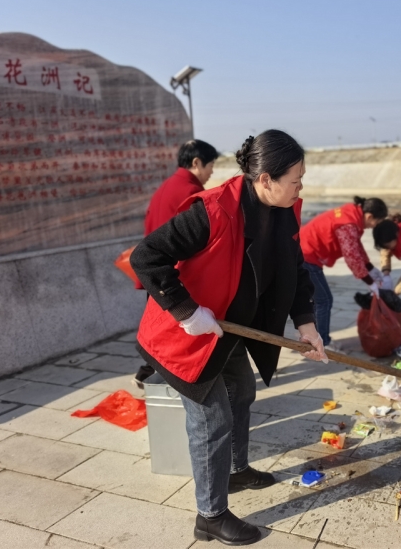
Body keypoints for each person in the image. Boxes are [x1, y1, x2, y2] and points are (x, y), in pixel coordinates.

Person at [131, 130, 327, 546]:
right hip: (186, 334)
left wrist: (306, 323)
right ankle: (210, 516)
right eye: (295, 180)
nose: (301, 187)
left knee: (242, 390)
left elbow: (295, 269)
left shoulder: (281, 211)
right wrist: (186, 311)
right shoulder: (213, 211)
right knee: (212, 418)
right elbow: (145, 256)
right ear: (266, 179)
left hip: (223, 328)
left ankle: (236, 471)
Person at [132, 140, 221, 388]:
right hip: (172, 276)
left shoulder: (167, 186)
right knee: (176, 333)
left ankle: (147, 374)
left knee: (162, 330)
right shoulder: (190, 192)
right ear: (196, 162)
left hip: (156, 273)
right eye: (211, 165)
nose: (212, 171)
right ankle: (150, 376)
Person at [300, 196, 389, 347]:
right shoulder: (348, 224)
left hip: (304, 251)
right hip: (306, 255)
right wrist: (369, 282)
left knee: (318, 300)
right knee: (324, 300)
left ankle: (315, 339)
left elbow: (356, 246)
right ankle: (322, 344)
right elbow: (351, 256)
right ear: (369, 216)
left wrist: (370, 269)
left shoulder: (351, 213)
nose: (374, 226)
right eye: (377, 222)